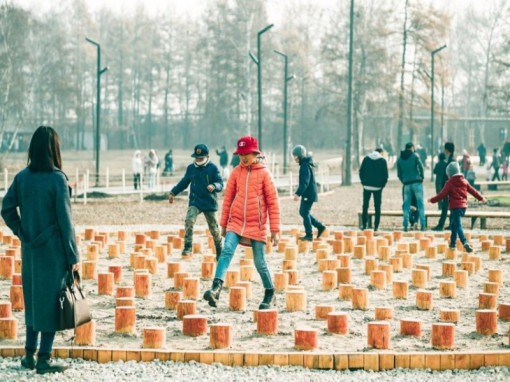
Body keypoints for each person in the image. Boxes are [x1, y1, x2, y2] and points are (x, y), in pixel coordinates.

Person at [1, 126, 79, 374]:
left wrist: (22, 233)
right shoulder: (57, 179)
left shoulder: (22, 177)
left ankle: (28, 356)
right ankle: (44, 358)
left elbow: (6, 208)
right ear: (53, 148)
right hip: (54, 252)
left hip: (31, 252)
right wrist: (73, 257)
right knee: (53, 304)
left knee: (34, 301)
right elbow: (66, 223)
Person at [203, 136, 280, 310]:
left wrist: (275, 230)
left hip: (257, 225)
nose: (243, 157)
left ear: (255, 153)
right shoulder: (236, 172)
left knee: (259, 262)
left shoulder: (264, 174)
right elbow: (228, 198)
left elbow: (273, 202)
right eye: (241, 154)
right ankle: (215, 289)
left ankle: (270, 292)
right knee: (226, 251)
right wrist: (223, 224)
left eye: (247, 153)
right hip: (236, 222)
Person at [169, 144, 223, 257]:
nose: (198, 160)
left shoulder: (213, 168)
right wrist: (173, 192)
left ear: (207, 157)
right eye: (196, 158)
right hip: (195, 201)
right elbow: (184, 182)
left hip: (209, 202)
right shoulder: (191, 168)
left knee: (214, 228)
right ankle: (188, 247)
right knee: (189, 220)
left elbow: (220, 183)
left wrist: (214, 185)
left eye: (201, 158)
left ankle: (219, 250)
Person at [429, 162, 486, 252]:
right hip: (463, 207)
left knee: (458, 225)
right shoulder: (464, 181)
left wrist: (432, 200)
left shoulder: (449, 183)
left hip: (455, 207)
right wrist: (481, 198)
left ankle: (464, 242)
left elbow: (442, 194)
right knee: (453, 225)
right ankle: (452, 244)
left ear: (450, 174)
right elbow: (473, 191)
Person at [292, 144, 327, 239]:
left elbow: (305, 182)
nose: (293, 158)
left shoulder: (304, 166)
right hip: (309, 193)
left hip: (309, 194)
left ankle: (309, 234)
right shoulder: (306, 164)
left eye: (294, 155)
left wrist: (298, 193)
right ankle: (320, 226)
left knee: (304, 212)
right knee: (303, 212)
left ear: (299, 155)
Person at [397, 142, 425, 231]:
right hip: (417, 182)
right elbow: (421, 167)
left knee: (406, 206)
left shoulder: (400, 159)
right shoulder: (415, 156)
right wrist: (422, 177)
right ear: (412, 148)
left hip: (406, 184)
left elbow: (399, 174)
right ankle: (422, 225)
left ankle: (406, 225)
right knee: (420, 204)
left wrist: (403, 181)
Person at [359, 147, 389, 231]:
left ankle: (364, 225)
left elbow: (361, 171)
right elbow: (385, 175)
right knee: (377, 207)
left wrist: (363, 182)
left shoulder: (366, 159)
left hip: (366, 186)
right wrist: (382, 185)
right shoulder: (382, 161)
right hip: (378, 187)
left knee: (365, 206)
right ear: (381, 153)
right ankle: (376, 226)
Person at [432, 142, 455, 231]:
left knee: (445, 206)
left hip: (449, 187)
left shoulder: (451, 161)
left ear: (447, 150)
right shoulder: (450, 159)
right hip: (449, 186)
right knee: (448, 206)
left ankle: (441, 224)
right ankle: (450, 224)